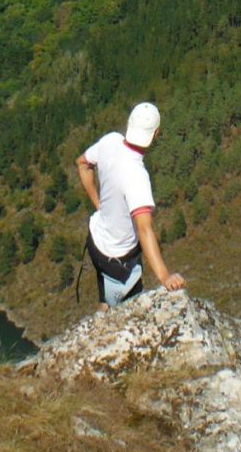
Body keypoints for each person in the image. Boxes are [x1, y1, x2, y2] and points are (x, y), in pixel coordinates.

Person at [76, 102, 185, 307]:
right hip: (119, 257)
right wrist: (164, 276)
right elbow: (144, 229)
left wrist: (98, 204)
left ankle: (104, 307)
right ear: (156, 134)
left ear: (129, 123)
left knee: (107, 295)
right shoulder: (137, 176)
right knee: (127, 311)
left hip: (96, 239)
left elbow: (82, 163)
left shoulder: (110, 141)